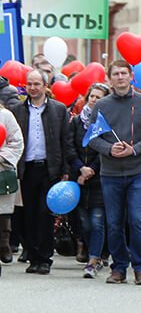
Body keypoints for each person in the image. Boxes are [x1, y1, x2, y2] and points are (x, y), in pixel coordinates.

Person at [88, 60, 141, 285]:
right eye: (115, 74)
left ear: (131, 76)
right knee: (114, 222)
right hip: (110, 173)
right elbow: (92, 137)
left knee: (137, 218)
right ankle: (118, 267)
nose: (120, 77)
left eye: (124, 73)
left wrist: (135, 149)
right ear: (109, 78)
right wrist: (109, 149)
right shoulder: (101, 105)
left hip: (139, 170)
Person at [10, 69, 74, 275]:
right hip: (26, 169)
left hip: (49, 168)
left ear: (46, 86)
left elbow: (66, 141)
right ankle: (32, 255)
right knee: (27, 215)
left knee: (45, 214)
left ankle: (45, 258)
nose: (33, 88)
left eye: (37, 84)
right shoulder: (18, 110)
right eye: (29, 84)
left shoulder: (58, 109)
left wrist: (65, 169)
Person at [70, 83, 111, 278]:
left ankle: (94, 259)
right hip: (78, 178)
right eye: (92, 96)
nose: (94, 100)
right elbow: (69, 146)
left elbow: (105, 149)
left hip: (99, 178)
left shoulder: (107, 124)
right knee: (84, 222)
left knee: (97, 221)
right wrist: (80, 168)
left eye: (99, 97)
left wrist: (91, 169)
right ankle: (91, 251)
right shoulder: (77, 122)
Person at [0, 102, 24, 273]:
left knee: (2, 212)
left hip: (2, 169)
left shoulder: (5, 116)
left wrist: (1, 157)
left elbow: (16, 142)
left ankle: (3, 241)